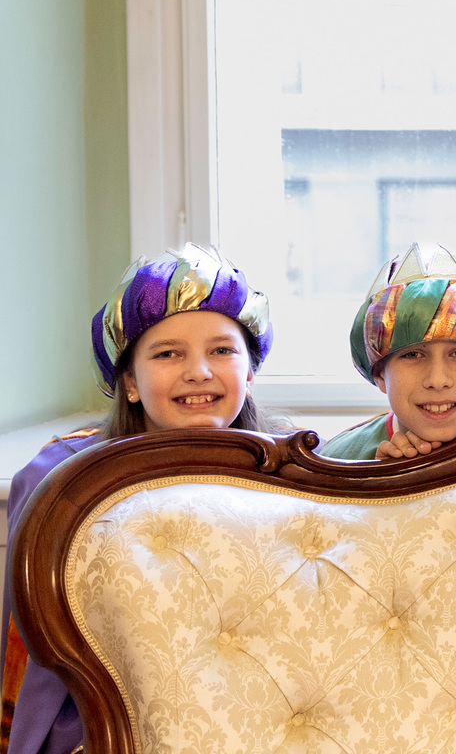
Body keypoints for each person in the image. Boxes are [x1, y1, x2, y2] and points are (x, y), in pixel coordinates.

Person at [1, 245, 275, 754]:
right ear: (129, 381)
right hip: (109, 722)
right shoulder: (58, 478)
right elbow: (35, 663)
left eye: (222, 350)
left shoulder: (294, 469)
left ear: (251, 371)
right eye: (168, 353)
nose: (199, 371)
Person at [321, 243, 456, 460]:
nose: (437, 380)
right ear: (380, 374)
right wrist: (378, 476)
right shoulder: (337, 461)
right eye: (412, 355)